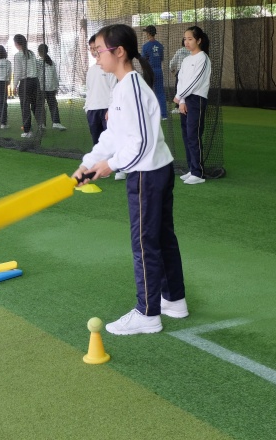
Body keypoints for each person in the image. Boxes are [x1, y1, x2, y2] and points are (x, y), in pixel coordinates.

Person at [72, 24, 188, 336]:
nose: (97, 58)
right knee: (160, 237)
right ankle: (173, 300)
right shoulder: (122, 87)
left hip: (147, 174)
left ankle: (147, 313)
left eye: (99, 51)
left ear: (119, 52)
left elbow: (141, 142)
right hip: (152, 170)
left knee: (144, 243)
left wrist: (110, 165)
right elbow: (113, 135)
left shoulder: (132, 87)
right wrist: (87, 165)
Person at [173, 26, 211, 185]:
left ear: (199, 40)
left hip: (197, 100)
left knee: (194, 135)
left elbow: (195, 82)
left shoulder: (203, 58)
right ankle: (191, 168)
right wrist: (181, 101)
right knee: (187, 135)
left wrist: (179, 97)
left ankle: (198, 173)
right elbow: (181, 80)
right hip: (185, 101)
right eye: (185, 39)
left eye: (190, 39)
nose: (186, 42)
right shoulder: (186, 60)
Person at [84, 35, 120, 179]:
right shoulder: (91, 70)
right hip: (92, 110)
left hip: (106, 109)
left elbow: (114, 89)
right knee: (97, 140)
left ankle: (119, 169)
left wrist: (110, 109)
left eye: (96, 48)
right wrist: (87, 108)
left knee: (112, 139)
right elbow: (89, 90)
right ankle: (100, 168)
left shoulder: (109, 68)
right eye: (91, 48)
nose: (93, 51)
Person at [13, 34, 41, 138]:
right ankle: (41, 125)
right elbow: (37, 68)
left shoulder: (18, 55)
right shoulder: (31, 53)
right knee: (35, 105)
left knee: (25, 107)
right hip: (35, 82)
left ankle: (27, 131)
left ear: (17, 43)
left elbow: (18, 72)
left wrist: (14, 86)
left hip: (25, 83)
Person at [37, 44, 66, 131]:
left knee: (41, 106)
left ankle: (43, 124)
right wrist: (56, 87)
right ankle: (54, 123)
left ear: (39, 52)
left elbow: (54, 76)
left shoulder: (41, 62)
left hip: (42, 88)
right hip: (49, 88)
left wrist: (55, 87)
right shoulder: (50, 62)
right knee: (52, 106)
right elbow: (55, 77)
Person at [141, 25, 168, 120]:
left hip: (149, 72)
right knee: (160, 92)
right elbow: (161, 58)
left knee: (147, 92)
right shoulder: (160, 46)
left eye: (146, 32)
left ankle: (149, 113)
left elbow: (143, 60)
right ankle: (164, 115)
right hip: (159, 70)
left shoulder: (145, 46)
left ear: (148, 33)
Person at [169, 43, 189, 114]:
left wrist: (172, 69)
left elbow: (172, 62)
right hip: (189, 73)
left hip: (180, 72)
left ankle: (178, 107)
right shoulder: (191, 52)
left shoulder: (180, 51)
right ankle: (186, 106)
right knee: (187, 89)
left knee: (178, 89)